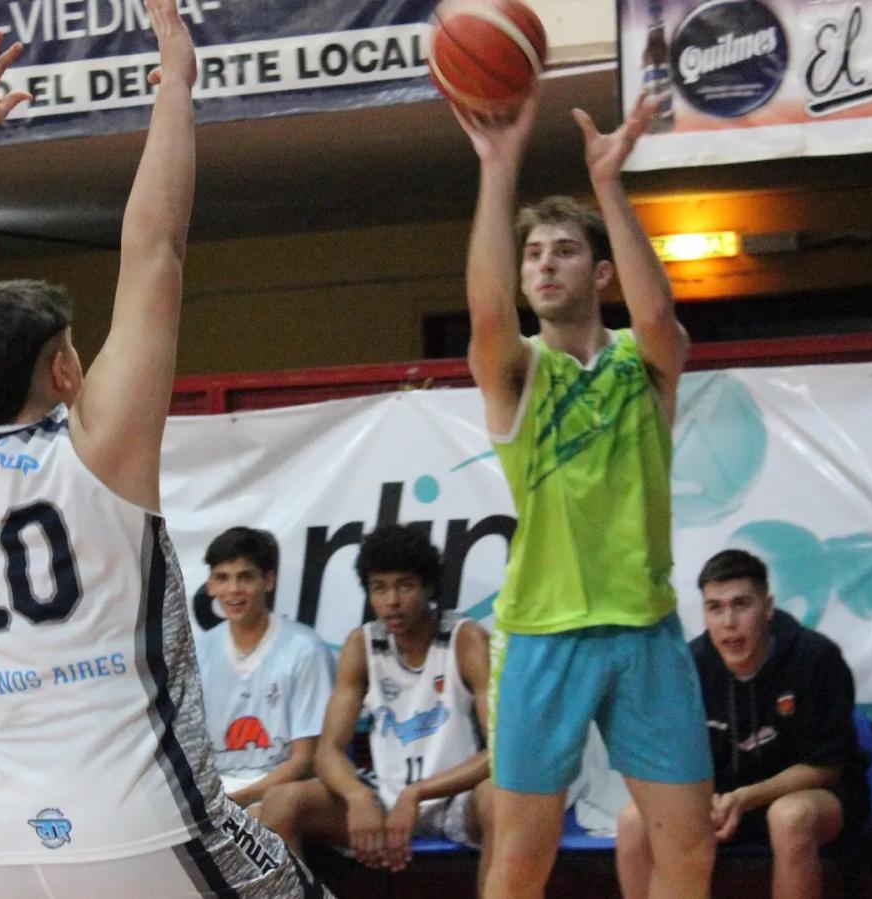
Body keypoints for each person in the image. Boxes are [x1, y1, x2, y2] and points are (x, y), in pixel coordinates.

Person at [0, 2, 323, 895]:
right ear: (64, 370)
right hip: (139, 815)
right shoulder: (101, 448)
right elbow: (156, 247)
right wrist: (175, 83)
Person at [454, 92, 714, 899]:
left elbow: (660, 309)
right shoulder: (519, 370)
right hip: (541, 636)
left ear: (599, 271)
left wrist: (608, 183)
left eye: (563, 251)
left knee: (689, 852)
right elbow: (488, 307)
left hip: (644, 629)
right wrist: (498, 169)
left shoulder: (648, 360)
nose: (543, 264)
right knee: (523, 860)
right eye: (533, 254)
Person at [618, 549, 870, 899]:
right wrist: (711, 802)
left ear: (767, 607)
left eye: (741, 605)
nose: (729, 622)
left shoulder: (815, 658)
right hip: (718, 803)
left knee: (788, 817)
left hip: (809, 797)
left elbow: (826, 766)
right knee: (633, 822)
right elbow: (669, 763)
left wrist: (747, 798)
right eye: (715, 608)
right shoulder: (687, 667)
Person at [260, 525, 494, 889]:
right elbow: (328, 752)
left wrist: (417, 793)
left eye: (404, 585)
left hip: (456, 799)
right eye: (379, 588)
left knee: (503, 799)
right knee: (281, 801)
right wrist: (357, 795)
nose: (392, 601)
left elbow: (500, 752)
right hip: (384, 796)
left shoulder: (466, 639)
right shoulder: (362, 644)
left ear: (429, 587)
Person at [195, 527, 334, 808]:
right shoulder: (198, 651)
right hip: (215, 791)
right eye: (222, 578)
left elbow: (306, 759)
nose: (233, 589)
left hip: (278, 790)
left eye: (245, 577)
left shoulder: (305, 649)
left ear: (268, 581)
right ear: (210, 586)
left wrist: (239, 800)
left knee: (267, 814)